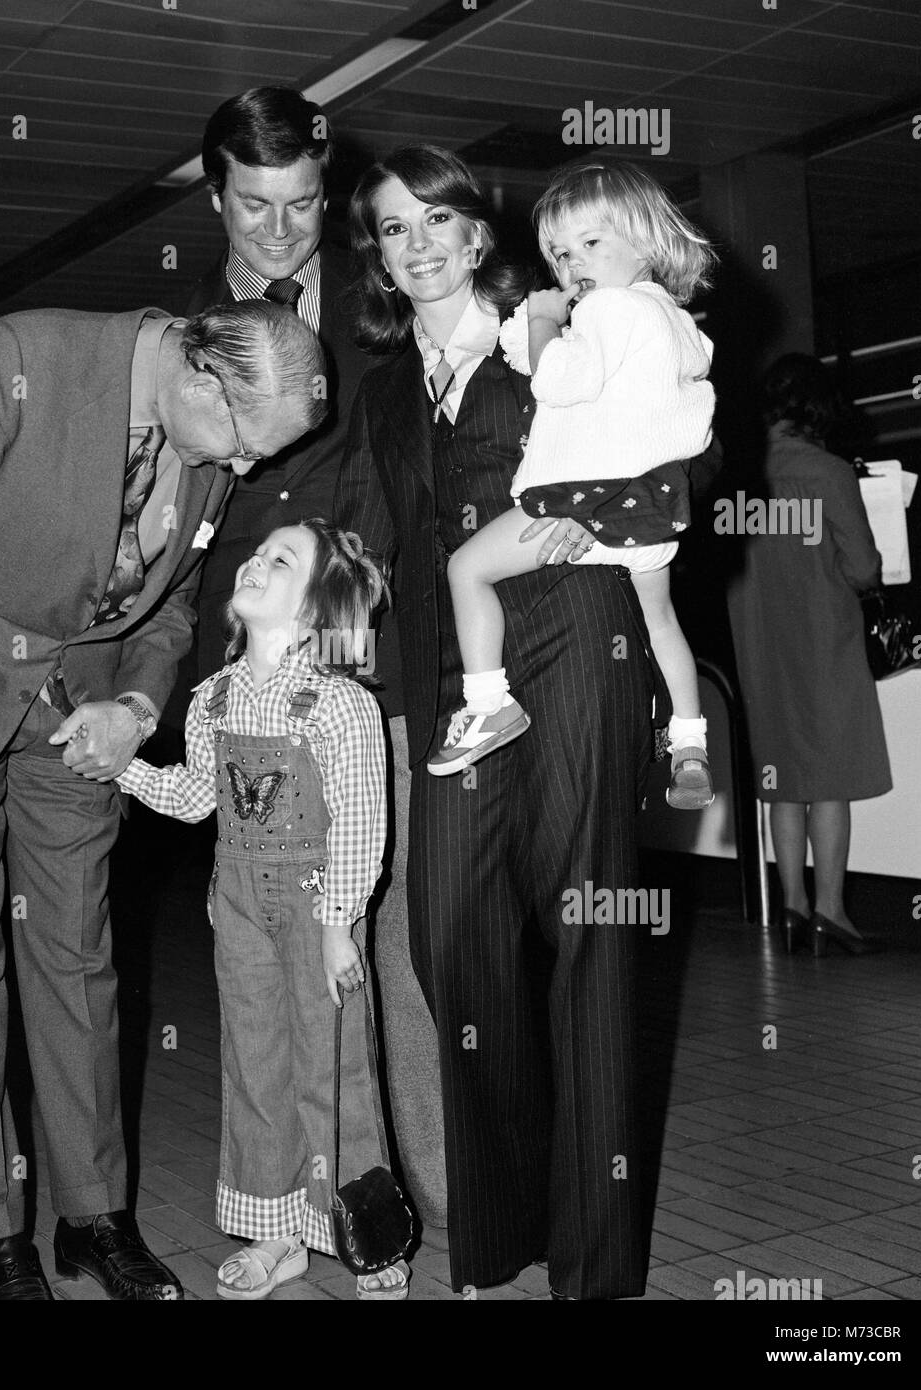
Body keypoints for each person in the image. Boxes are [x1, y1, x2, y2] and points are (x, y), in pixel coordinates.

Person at [0, 299, 326, 1301]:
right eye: (242, 447)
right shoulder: (18, 357)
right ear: (200, 380)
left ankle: (92, 1216)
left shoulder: (205, 440)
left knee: (78, 961)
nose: (240, 474)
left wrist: (140, 699)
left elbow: (181, 597)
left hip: (79, 720)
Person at [336, 145, 719, 1299]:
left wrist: (612, 516)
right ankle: (505, 1225)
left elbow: (668, 416)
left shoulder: (559, 317)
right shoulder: (385, 385)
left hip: (582, 626)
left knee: (588, 933)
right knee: (446, 934)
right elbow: (387, 532)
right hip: (461, 675)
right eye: (394, 229)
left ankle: (594, 1266)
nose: (418, 244)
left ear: (474, 232)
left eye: (437, 220)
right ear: (380, 253)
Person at [181, 86, 443, 1224]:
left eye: (301, 205)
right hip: (259, 717)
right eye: (254, 206)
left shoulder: (394, 309)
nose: (280, 233)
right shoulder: (189, 350)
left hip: (382, 683)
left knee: (403, 938)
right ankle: (307, 1197)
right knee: (286, 969)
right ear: (213, 196)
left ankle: (434, 1190)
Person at [115, 518, 410, 1299]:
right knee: (254, 1067)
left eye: (282, 559)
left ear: (313, 613)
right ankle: (277, 1233)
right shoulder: (211, 699)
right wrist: (126, 770)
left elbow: (360, 820)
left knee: (335, 1064)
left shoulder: (342, 705)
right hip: (240, 910)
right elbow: (191, 799)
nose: (256, 558)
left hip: (320, 913)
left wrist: (340, 924)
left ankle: (364, 1230)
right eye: (257, 550)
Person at [432, 163, 718, 815]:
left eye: (591, 243)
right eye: (560, 253)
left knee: (467, 568)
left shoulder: (613, 308)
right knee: (661, 620)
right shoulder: (677, 324)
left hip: (583, 501)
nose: (572, 263)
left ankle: (486, 704)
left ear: (644, 240)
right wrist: (536, 328)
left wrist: (540, 324)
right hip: (651, 515)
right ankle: (689, 740)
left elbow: (555, 381)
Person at [727, 353, 891, 956]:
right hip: (825, 641)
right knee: (830, 779)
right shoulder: (828, 473)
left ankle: (789, 907)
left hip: (760, 644)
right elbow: (864, 567)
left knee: (780, 777)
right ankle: (831, 910)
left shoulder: (740, 477)